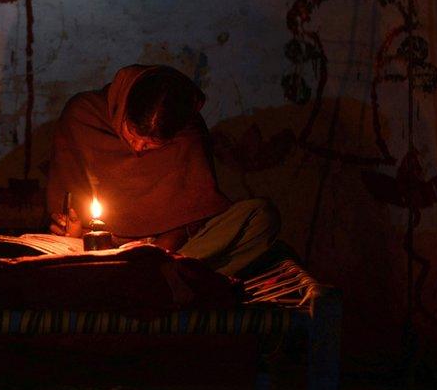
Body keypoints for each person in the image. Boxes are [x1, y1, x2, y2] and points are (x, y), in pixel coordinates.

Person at [46, 64, 280, 276]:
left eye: (150, 145)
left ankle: (158, 277)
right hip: (97, 252)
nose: (138, 148)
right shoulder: (83, 116)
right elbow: (70, 212)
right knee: (55, 257)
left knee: (261, 217)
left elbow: (194, 216)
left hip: (171, 252)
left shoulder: (188, 133)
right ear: (123, 109)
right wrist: (75, 230)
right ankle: (168, 278)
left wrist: (156, 250)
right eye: (132, 134)